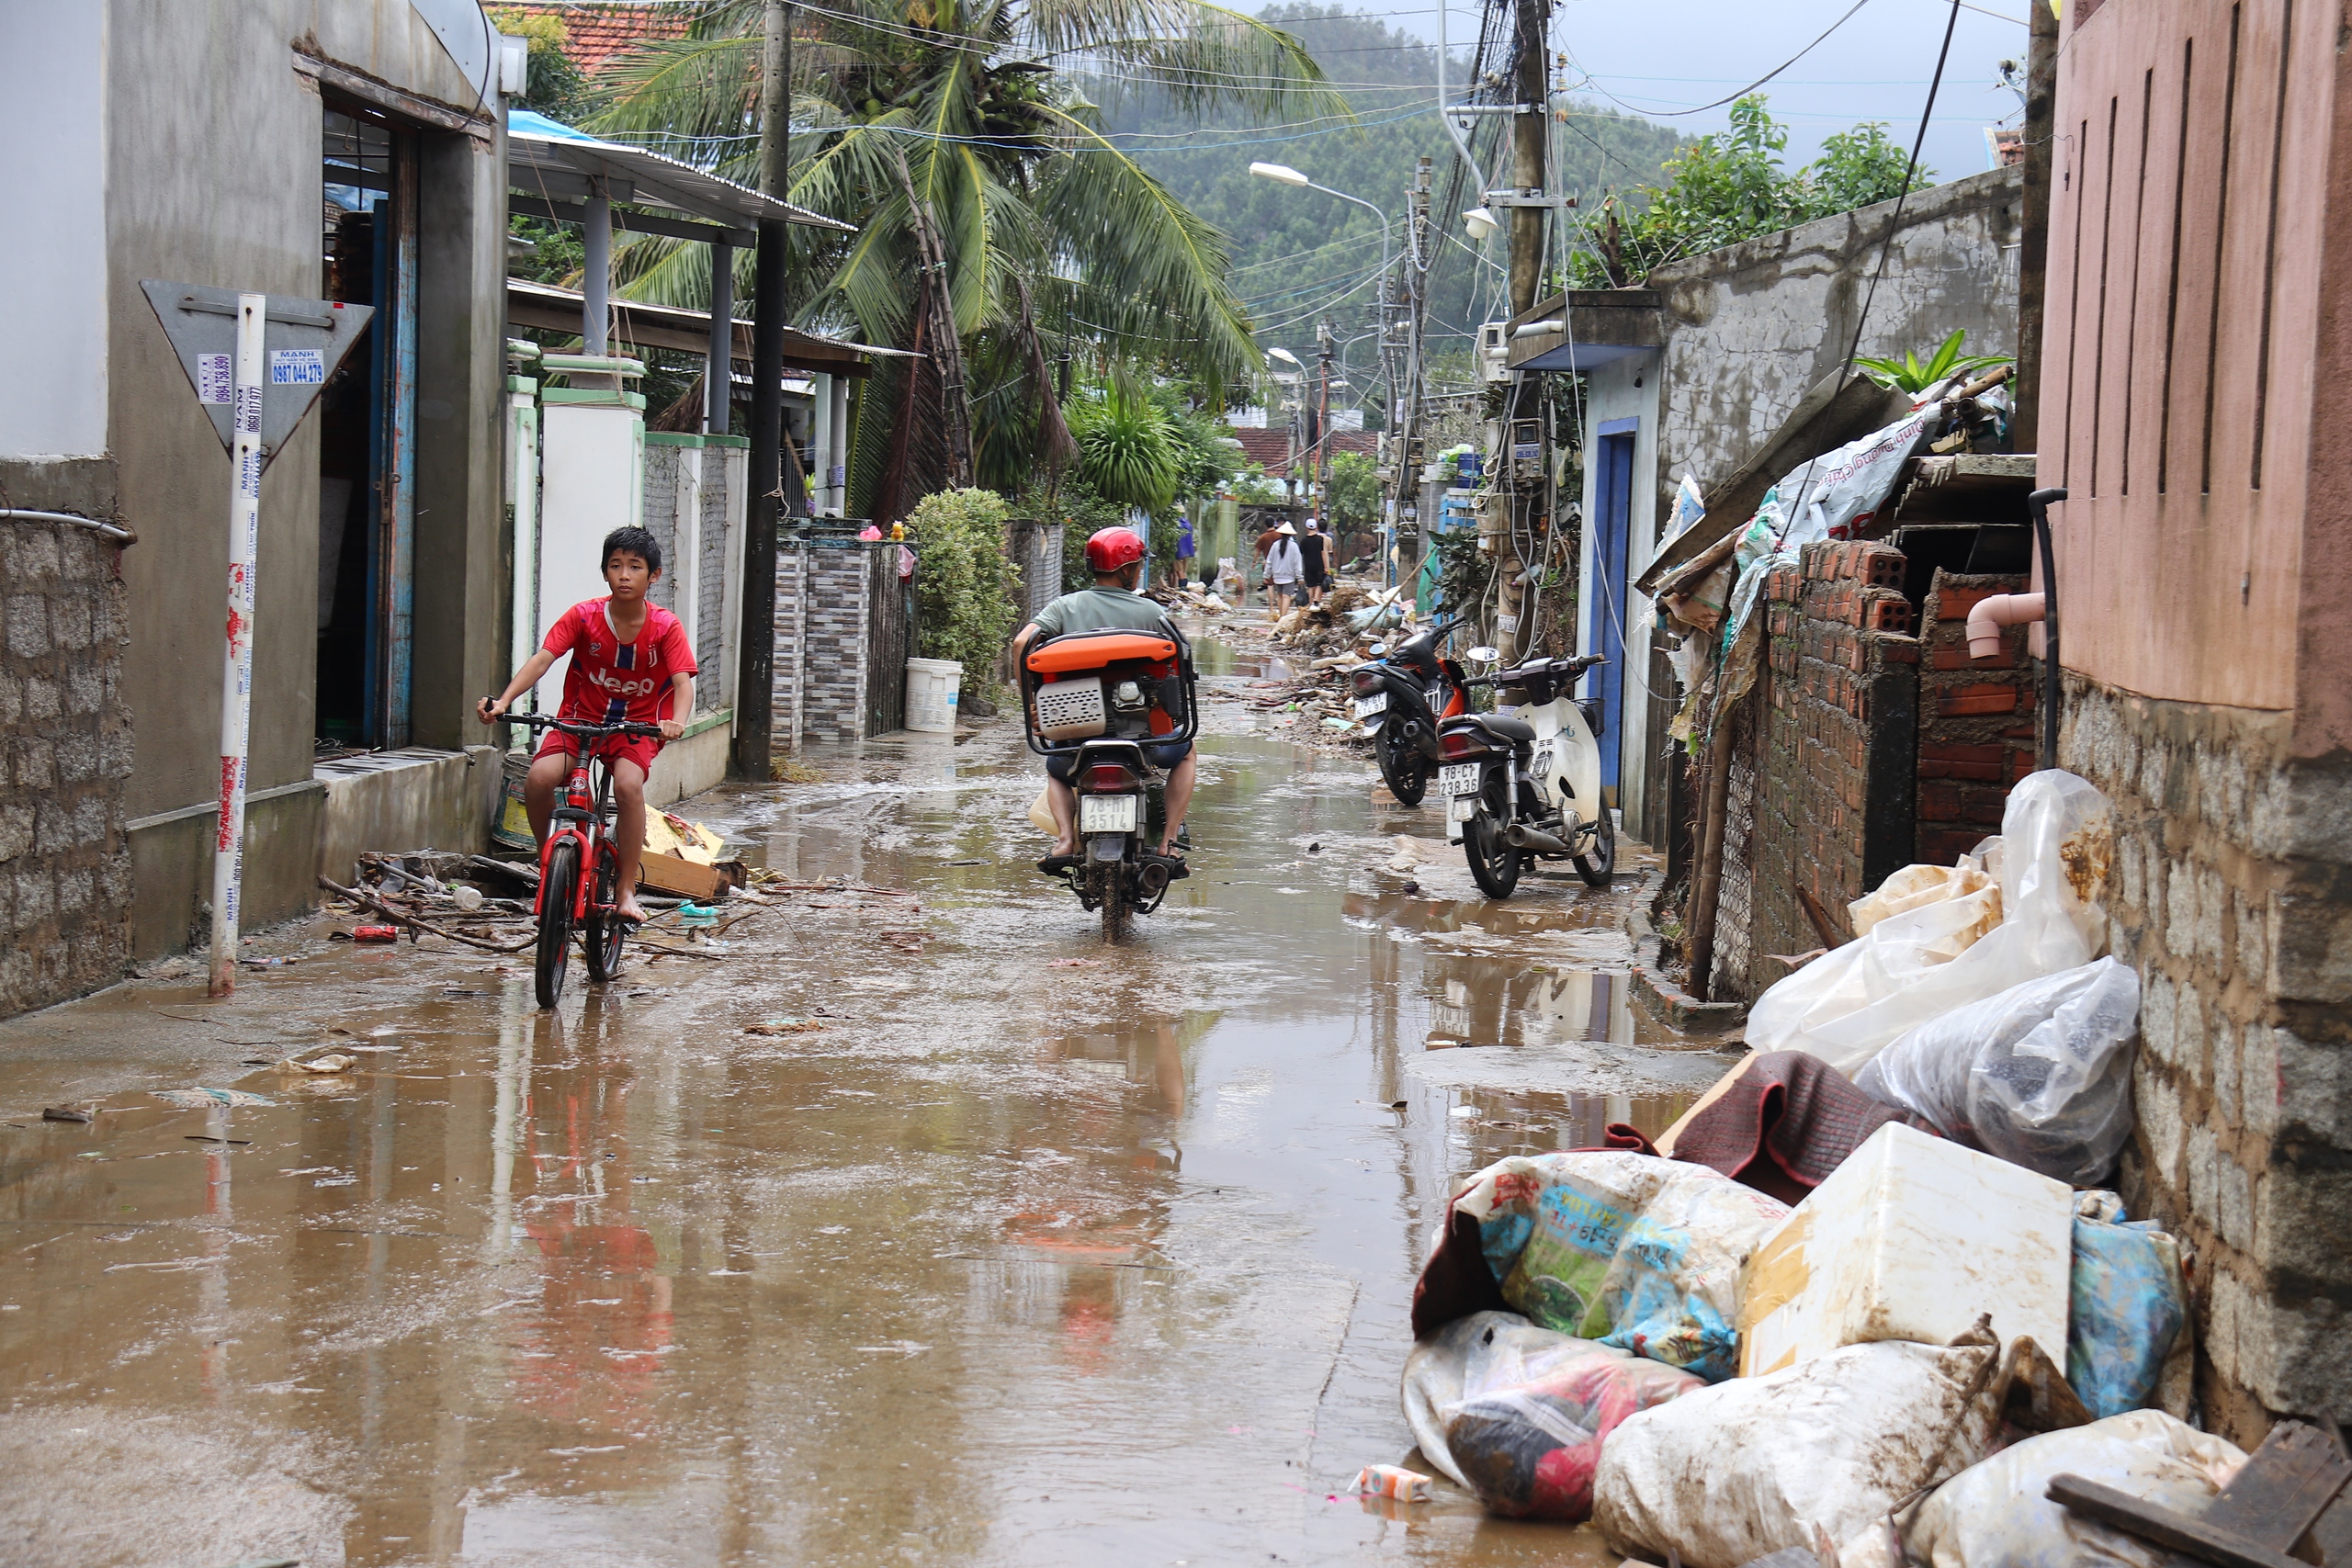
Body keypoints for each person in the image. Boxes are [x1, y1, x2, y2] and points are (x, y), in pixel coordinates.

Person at [478, 525, 695, 924]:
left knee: (628, 787)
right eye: (615, 566)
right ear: (604, 571)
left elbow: (683, 684)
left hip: (637, 728)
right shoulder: (583, 616)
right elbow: (543, 659)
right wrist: (504, 701)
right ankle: (550, 865)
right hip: (578, 722)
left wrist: (675, 722)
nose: (624, 575)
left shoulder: (666, 627)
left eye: (635, 567)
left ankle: (626, 890)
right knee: (538, 779)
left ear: (654, 576)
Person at [1012, 527, 1194, 877]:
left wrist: (1033, 703)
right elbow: (1179, 664)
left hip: (1077, 736)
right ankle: (1168, 842)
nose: (1138, 571)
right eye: (1137, 566)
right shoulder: (1151, 612)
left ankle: (1065, 841)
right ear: (1126, 570)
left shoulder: (1064, 607)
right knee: (1187, 753)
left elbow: (1022, 644)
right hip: (1146, 740)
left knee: (1056, 770)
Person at [1265, 521, 1304, 615]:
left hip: (1277, 576)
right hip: (1289, 577)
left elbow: (1269, 561)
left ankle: (1281, 615)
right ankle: (1283, 617)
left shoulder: (1275, 545)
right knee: (1286, 596)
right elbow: (1297, 562)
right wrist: (1299, 577)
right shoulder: (1294, 546)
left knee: (1279, 596)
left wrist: (1266, 575)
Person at [1299, 516, 1330, 605]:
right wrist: (1326, 567)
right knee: (1319, 583)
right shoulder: (1320, 539)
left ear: (1306, 527)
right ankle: (1316, 599)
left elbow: (1300, 554)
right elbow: (1323, 553)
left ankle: (1310, 602)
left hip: (1308, 566)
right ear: (1316, 527)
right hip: (1319, 565)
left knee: (1310, 585)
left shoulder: (1304, 541)